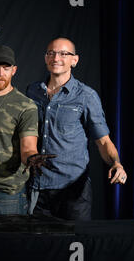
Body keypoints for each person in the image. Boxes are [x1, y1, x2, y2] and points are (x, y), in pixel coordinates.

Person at [26, 37, 127, 220]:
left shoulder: (86, 96)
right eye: (51, 53)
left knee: (75, 245)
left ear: (75, 60)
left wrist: (116, 163)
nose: (56, 58)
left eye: (64, 53)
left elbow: (103, 141)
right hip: (38, 188)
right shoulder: (32, 92)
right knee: (38, 247)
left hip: (73, 191)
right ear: (45, 58)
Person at [0, 45, 54, 215]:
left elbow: (28, 146)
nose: (1, 74)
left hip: (7, 197)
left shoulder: (25, 106)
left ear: (14, 70)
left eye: (6, 68)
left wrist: (32, 157)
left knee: (7, 242)